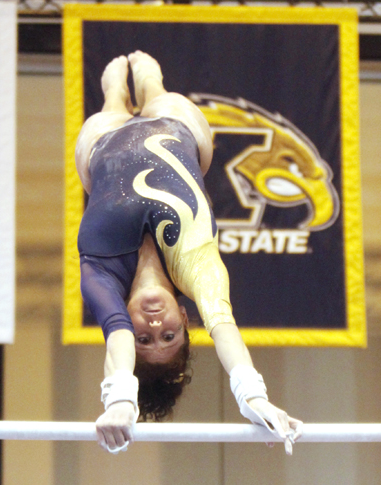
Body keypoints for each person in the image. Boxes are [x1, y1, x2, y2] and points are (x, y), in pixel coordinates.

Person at [75, 51, 303, 455]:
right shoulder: (198, 263)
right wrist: (254, 397)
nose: (154, 323)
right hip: (177, 128)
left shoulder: (100, 275)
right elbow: (223, 327)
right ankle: (150, 86)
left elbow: (117, 338)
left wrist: (121, 401)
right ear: (184, 317)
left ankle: (114, 94)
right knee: (154, 86)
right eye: (169, 334)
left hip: (101, 146)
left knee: (111, 102)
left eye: (145, 337)